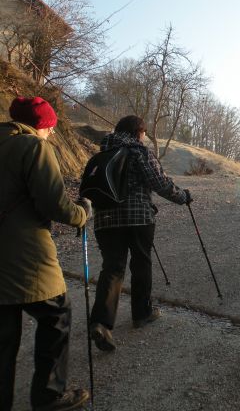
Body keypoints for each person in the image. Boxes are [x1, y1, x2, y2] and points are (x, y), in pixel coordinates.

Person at [1, 97, 91, 410]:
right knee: (56, 314)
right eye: (50, 127)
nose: (52, 134)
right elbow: (54, 204)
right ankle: (49, 395)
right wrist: (82, 213)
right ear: (41, 125)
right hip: (23, 254)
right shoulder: (33, 147)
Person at [89, 115, 191, 353]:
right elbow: (159, 183)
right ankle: (141, 313)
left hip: (104, 220)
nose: (144, 137)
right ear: (139, 132)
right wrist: (183, 197)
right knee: (141, 263)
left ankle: (101, 322)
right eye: (144, 133)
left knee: (112, 268)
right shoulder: (139, 151)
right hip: (137, 217)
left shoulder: (101, 152)